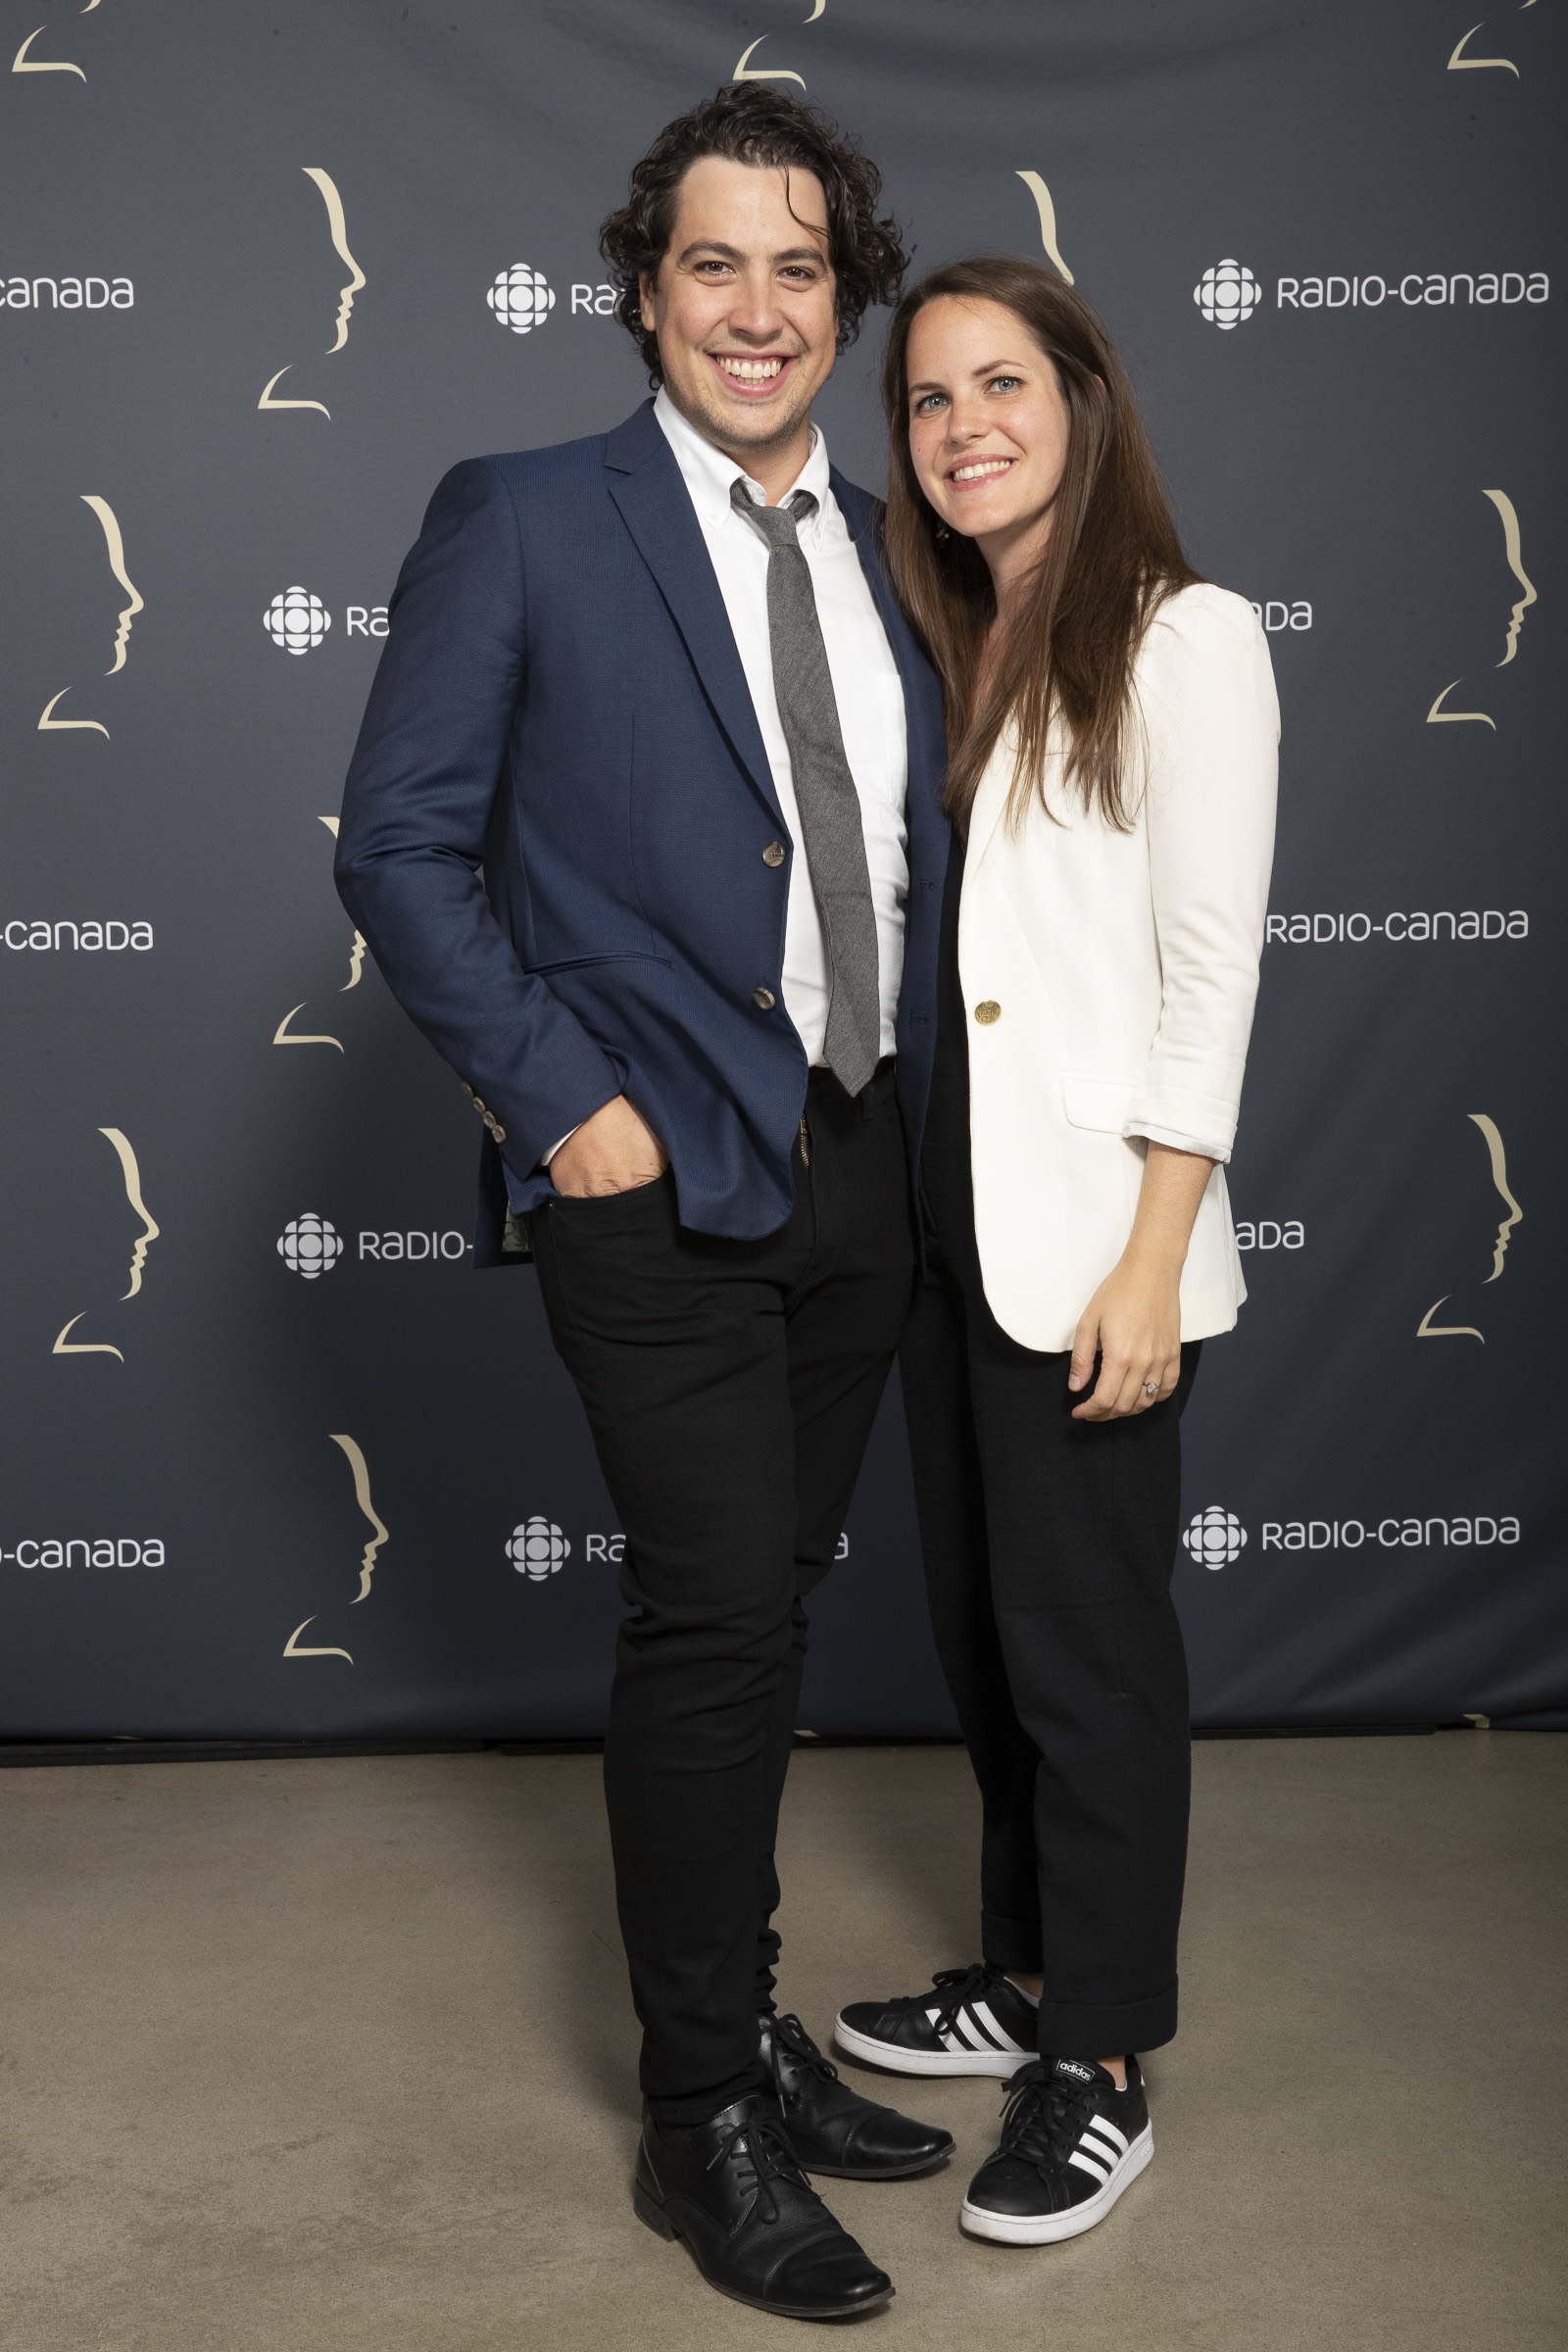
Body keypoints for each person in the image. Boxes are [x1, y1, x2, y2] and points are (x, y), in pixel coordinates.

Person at [334, 87, 954, 2323]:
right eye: (714, 263)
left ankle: (747, 2030)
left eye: (799, 267)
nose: (757, 309)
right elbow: (399, 843)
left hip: (871, 1163)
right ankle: (698, 2117)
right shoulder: (521, 513)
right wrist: (559, 1104)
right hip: (651, 1167)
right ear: (643, 289)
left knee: (762, 1616)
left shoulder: (896, 543)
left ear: (844, 300)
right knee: (709, 1625)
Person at [834, 258, 1278, 2246]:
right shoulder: (946, 636)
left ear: (1083, 400)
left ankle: (1096, 2064)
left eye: (1000, 384)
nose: (962, 430)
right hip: (945, 1227)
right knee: (987, 1644)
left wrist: (1152, 1256)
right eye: (927, 401)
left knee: (1088, 1666)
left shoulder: (1183, 637)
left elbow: (1209, 975)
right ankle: (1022, 1979)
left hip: (1094, 1248)